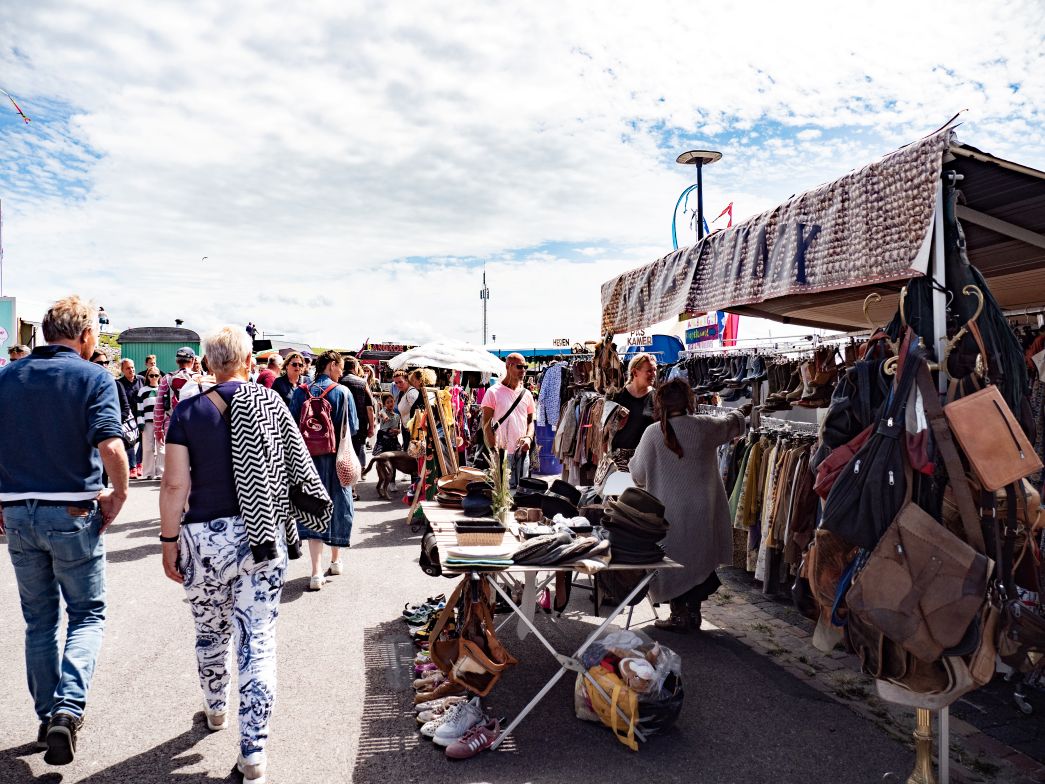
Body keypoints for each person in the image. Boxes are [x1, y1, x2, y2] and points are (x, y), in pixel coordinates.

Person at [160, 326, 328, 784]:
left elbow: (175, 485)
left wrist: (168, 542)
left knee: (210, 630)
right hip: (264, 537)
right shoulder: (271, 404)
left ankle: (216, 710)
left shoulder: (188, 411)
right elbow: (295, 464)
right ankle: (253, 750)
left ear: (208, 363)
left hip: (204, 537)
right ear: (249, 361)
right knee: (258, 639)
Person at [0, 295, 128, 765]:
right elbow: (111, 444)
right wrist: (119, 493)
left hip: (17, 511)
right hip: (71, 510)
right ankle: (67, 710)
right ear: (85, 335)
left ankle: (45, 713)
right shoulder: (93, 376)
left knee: (38, 619)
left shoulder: (6, 377)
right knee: (87, 613)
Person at [629, 379, 751, 632]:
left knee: (673, 560)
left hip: (667, 512)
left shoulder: (653, 433)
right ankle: (692, 613)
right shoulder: (704, 426)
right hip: (703, 511)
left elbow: (638, 474)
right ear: (689, 401)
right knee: (696, 557)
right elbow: (732, 424)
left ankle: (680, 614)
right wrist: (745, 409)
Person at [291, 350, 357, 589]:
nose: (341, 373)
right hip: (336, 460)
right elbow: (354, 428)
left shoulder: (300, 393)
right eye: (339, 368)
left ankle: (316, 571)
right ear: (331, 365)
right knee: (339, 505)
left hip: (307, 462)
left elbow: (290, 428)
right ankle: (336, 560)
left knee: (312, 509)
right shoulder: (343, 393)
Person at [481, 353, 536, 488]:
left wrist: (529, 438)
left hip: (522, 452)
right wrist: (494, 450)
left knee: (522, 493)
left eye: (525, 367)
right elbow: (486, 424)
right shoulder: (493, 392)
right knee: (502, 495)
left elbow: (530, 422)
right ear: (508, 366)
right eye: (519, 367)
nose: (523, 370)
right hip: (502, 452)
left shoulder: (527, 394)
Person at [601, 352, 658, 480]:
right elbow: (604, 432)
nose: (654, 374)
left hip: (646, 460)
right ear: (635, 372)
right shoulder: (616, 396)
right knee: (620, 497)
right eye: (649, 371)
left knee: (642, 498)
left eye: (655, 370)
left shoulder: (657, 398)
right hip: (618, 461)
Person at [340, 357, 376, 495]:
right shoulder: (361, 382)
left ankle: (342, 485)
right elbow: (370, 408)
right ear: (355, 367)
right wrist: (371, 427)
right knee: (354, 455)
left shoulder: (337, 380)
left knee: (341, 455)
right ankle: (352, 489)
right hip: (359, 426)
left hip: (340, 425)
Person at [154, 347, 198, 448]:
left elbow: (159, 407)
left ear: (177, 361)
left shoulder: (167, 378)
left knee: (174, 461)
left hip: (171, 425)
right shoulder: (199, 378)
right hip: (193, 426)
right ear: (193, 360)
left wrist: (158, 429)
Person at [116, 359, 144, 479]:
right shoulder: (119, 383)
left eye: (132, 367)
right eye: (127, 368)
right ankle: (132, 467)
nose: (131, 370)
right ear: (122, 370)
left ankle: (139, 464)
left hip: (141, 416)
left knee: (143, 440)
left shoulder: (141, 380)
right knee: (130, 441)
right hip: (127, 418)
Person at [137, 364, 165, 479]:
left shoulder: (162, 390)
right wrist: (141, 423)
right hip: (147, 423)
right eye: (151, 375)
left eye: (156, 375)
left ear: (159, 376)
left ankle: (161, 472)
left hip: (160, 423)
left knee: (161, 447)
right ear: (147, 377)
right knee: (148, 448)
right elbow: (139, 408)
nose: (154, 377)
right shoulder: (142, 391)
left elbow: (165, 407)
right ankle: (148, 473)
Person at [393, 370, 418, 450]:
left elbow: (418, 411)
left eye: (400, 382)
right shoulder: (402, 393)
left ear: (407, 380)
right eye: (396, 383)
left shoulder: (411, 393)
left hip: (412, 430)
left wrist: (411, 426)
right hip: (406, 428)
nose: (398, 385)